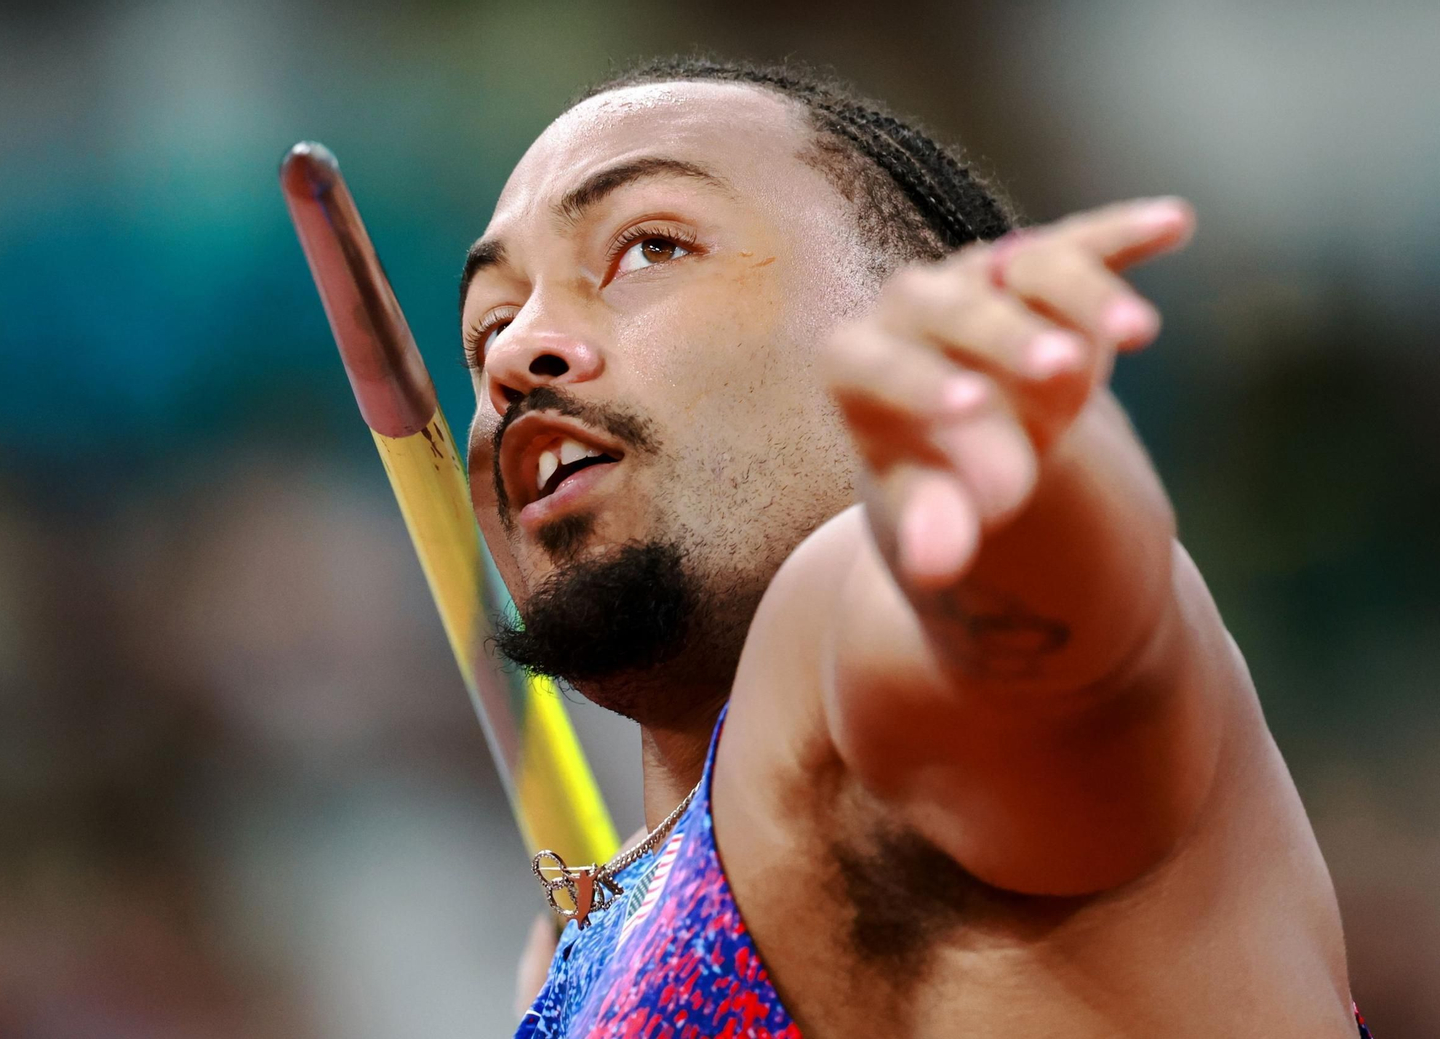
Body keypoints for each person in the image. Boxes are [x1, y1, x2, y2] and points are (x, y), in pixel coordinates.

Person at [458, 57, 1370, 1037]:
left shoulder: (871, 628)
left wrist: (1018, 481)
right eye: (490, 326)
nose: (516, 353)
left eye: (650, 248)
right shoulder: (587, 943)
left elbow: (1049, 645)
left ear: (906, 308)